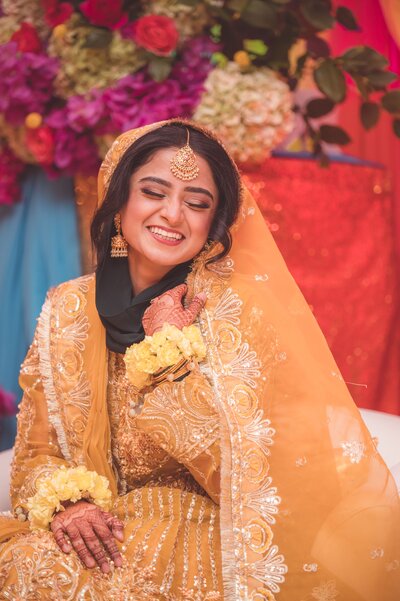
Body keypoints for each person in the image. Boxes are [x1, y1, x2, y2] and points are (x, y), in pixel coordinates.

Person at [0, 119, 399, 601]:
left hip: (211, 533)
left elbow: (249, 477)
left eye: (197, 203)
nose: (173, 215)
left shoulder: (237, 314)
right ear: (119, 198)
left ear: (215, 222)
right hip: (102, 527)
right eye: (153, 192)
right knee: (31, 564)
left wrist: (167, 357)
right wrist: (71, 505)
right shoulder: (68, 307)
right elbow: (36, 453)